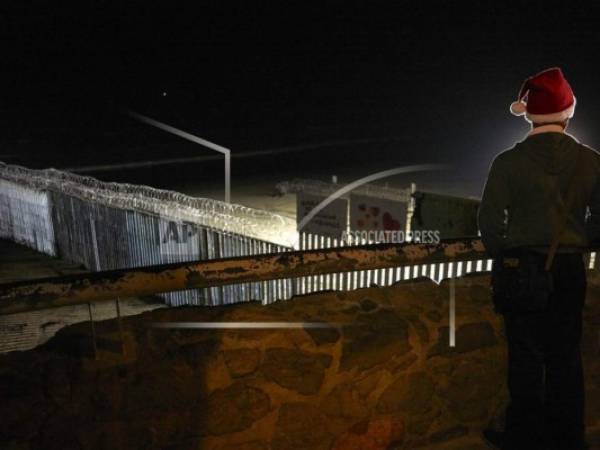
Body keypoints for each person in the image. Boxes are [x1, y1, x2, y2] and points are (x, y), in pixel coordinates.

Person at [478, 67, 600, 450]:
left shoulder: (507, 162)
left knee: (525, 358)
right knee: (566, 358)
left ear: (529, 114)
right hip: (569, 269)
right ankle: (568, 439)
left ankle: (524, 437)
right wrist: (582, 244)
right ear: (568, 112)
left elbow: (488, 222)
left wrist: (507, 254)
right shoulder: (592, 162)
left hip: (523, 268)